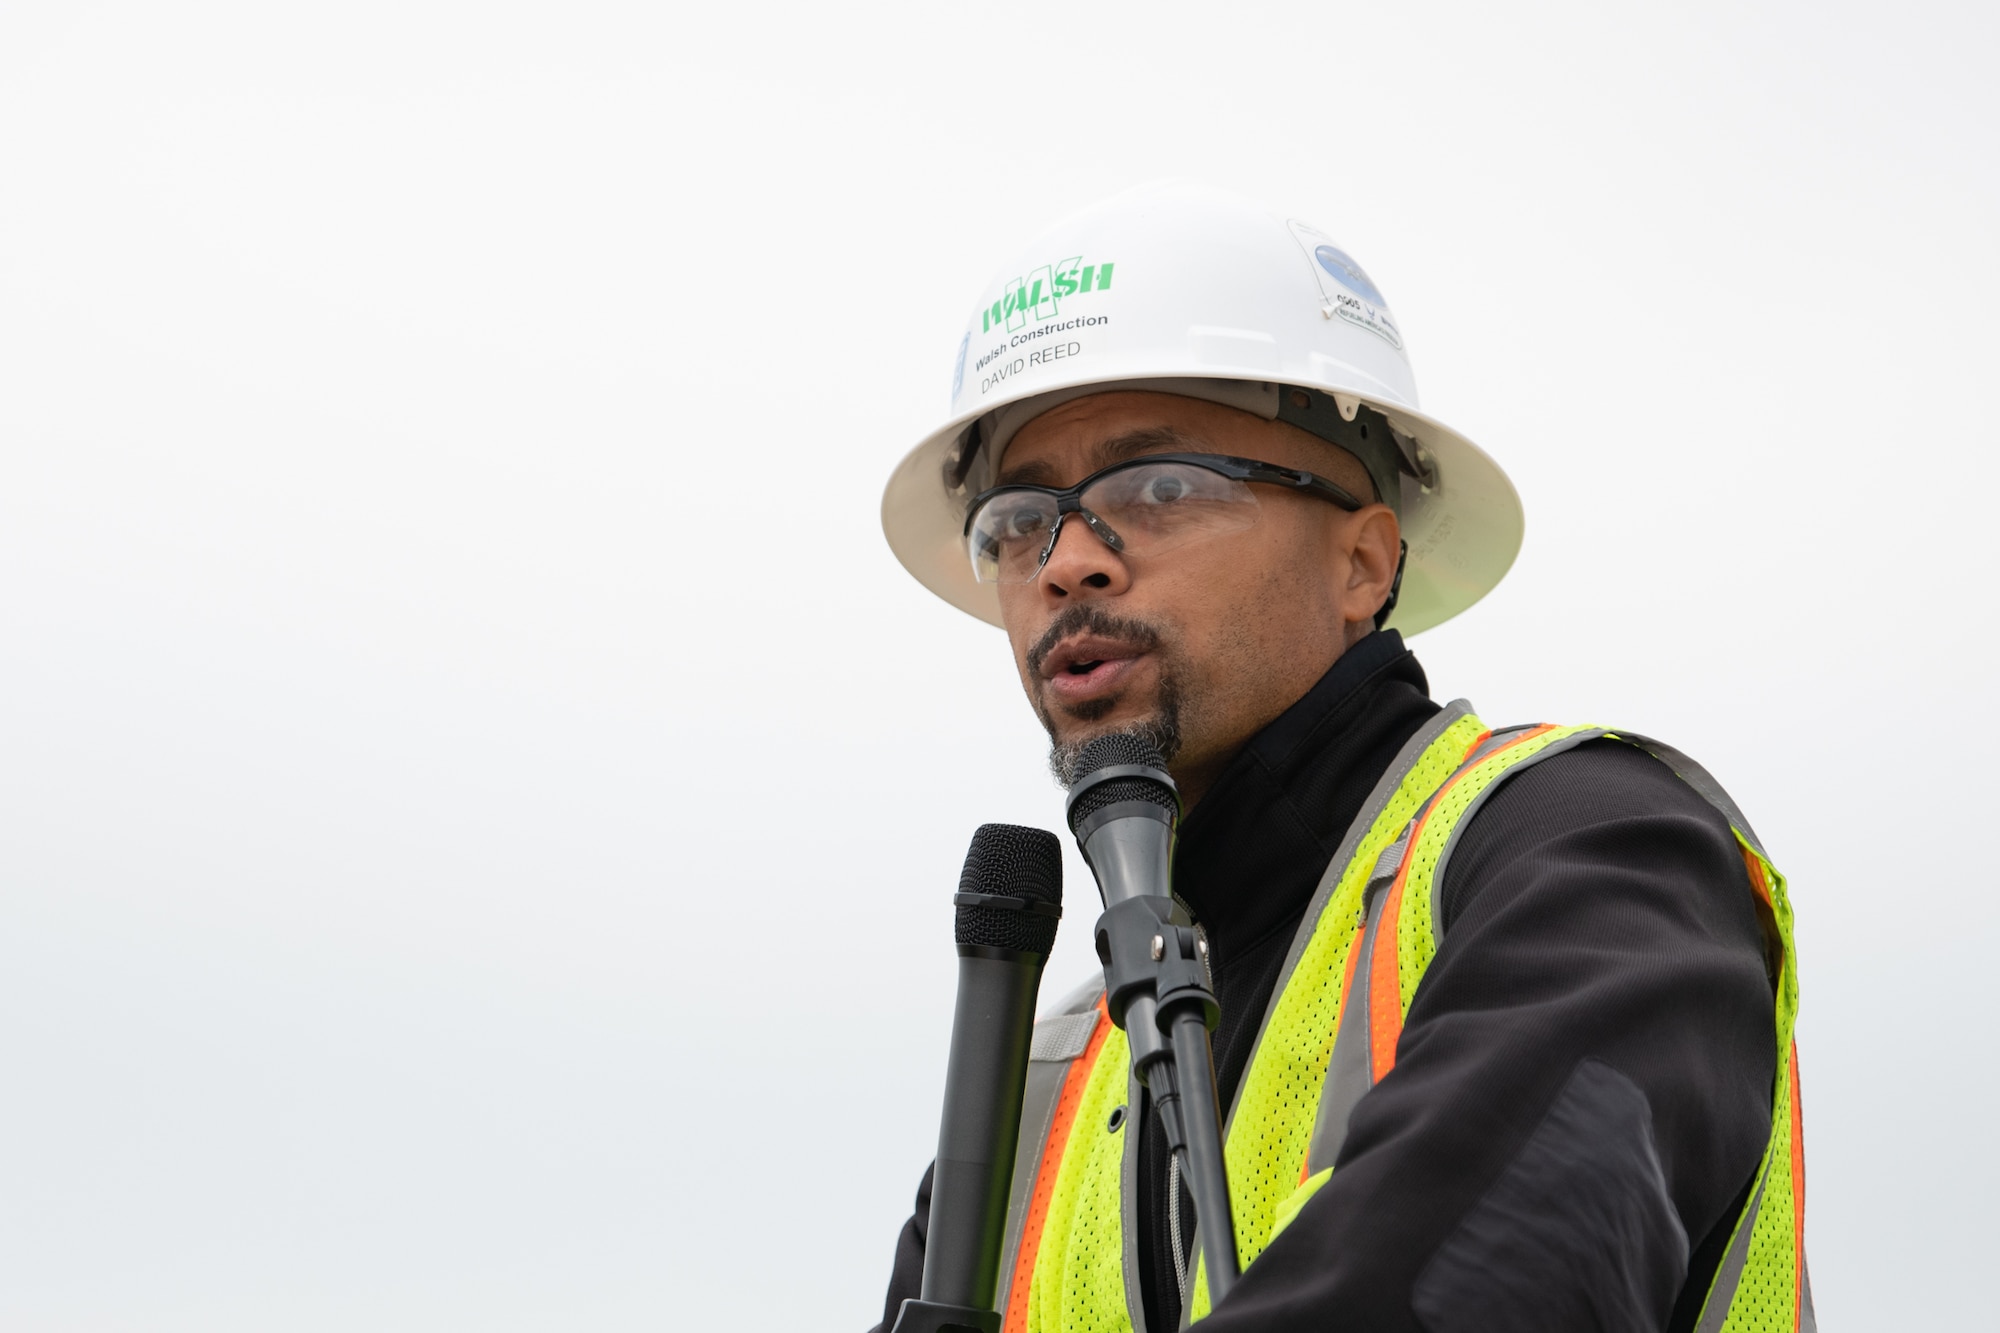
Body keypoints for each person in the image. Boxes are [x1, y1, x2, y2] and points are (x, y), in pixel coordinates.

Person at [870, 182, 1810, 1333]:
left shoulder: (1590, 859)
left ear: (1364, 563)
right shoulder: (1036, 1097)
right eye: (1018, 521)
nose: (1066, 562)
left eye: (1158, 487)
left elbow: (1483, 1280)